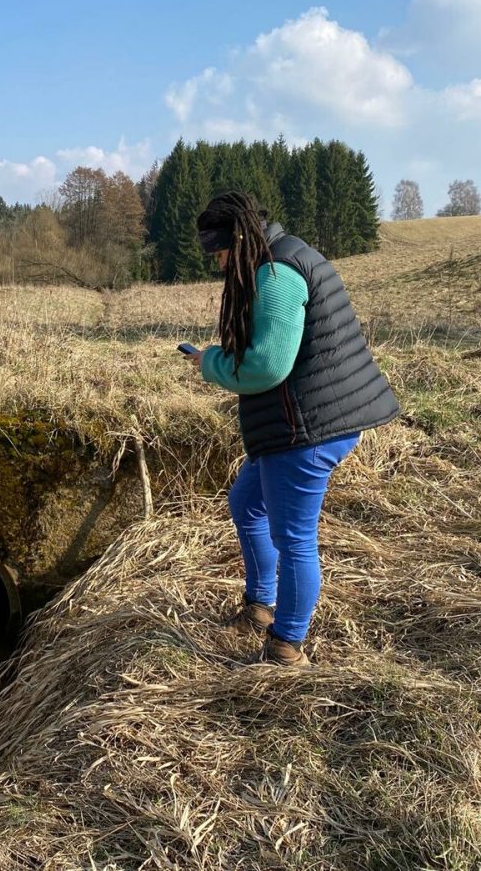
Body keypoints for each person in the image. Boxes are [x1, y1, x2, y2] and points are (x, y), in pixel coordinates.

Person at [183, 192, 400, 666]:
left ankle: (286, 645)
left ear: (237, 242)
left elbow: (265, 367)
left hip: (307, 428)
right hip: (314, 415)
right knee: (246, 502)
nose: (218, 266)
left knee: (294, 537)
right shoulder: (285, 253)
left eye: (219, 254)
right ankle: (261, 607)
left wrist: (211, 362)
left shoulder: (277, 275)